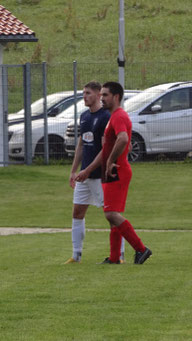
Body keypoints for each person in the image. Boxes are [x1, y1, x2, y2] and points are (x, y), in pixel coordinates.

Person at [76, 81, 152, 264]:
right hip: (113, 170)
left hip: (117, 170)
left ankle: (141, 249)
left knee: (111, 214)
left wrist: (110, 160)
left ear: (116, 97)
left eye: (105, 95)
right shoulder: (114, 116)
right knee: (112, 215)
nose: (102, 98)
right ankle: (114, 257)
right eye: (101, 95)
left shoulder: (118, 116)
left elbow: (123, 138)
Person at [65, 81, 125, 263]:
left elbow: (105, 149)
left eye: (88, 93)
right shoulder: (84, 117)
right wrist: (74, 170)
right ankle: (76, 255)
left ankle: (120, 255)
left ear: (99, 95)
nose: (85, 96)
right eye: (83, 93)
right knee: (77, 213)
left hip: (101, 176)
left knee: (111, 215)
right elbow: (82, 144)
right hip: (85, 175)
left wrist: (88, 169)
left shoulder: (106, 116)